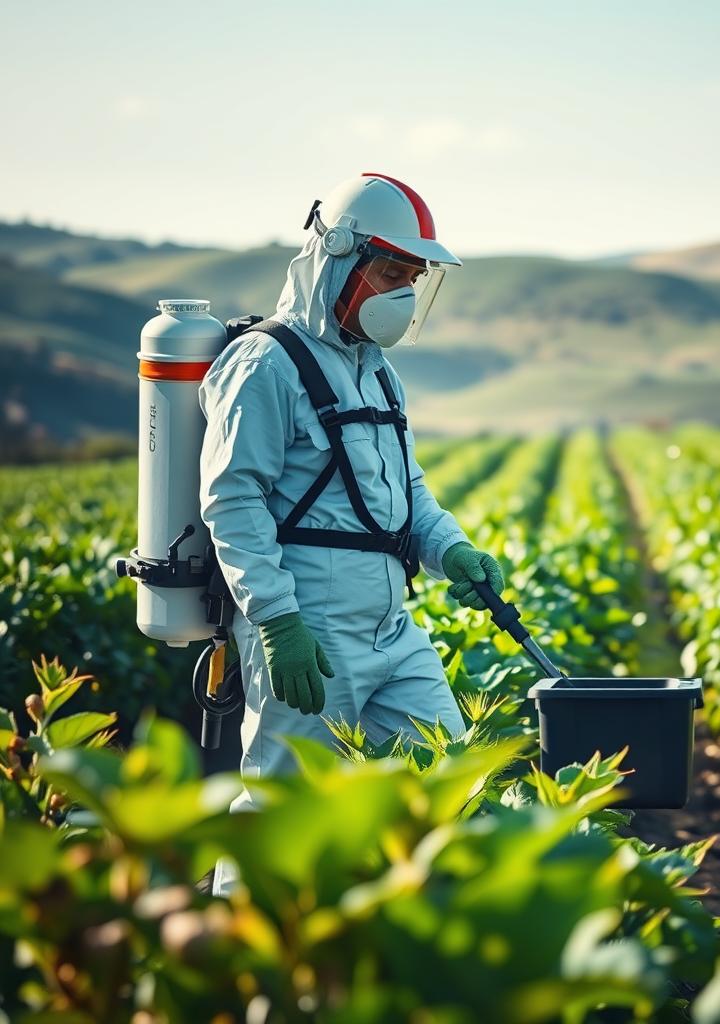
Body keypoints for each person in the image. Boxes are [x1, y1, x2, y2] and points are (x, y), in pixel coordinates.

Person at [198, 172, 504, 897]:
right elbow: (232, 500)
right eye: (392, 272)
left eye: (414, 276)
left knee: (446, 785)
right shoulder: (266, 363)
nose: (404, 290)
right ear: (340, 261)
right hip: (312, 630)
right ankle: (235, 980)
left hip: (392, 626)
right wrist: (277, 621)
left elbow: (408, 492)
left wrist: (450, 547)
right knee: (282, 814)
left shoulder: (377, 371)